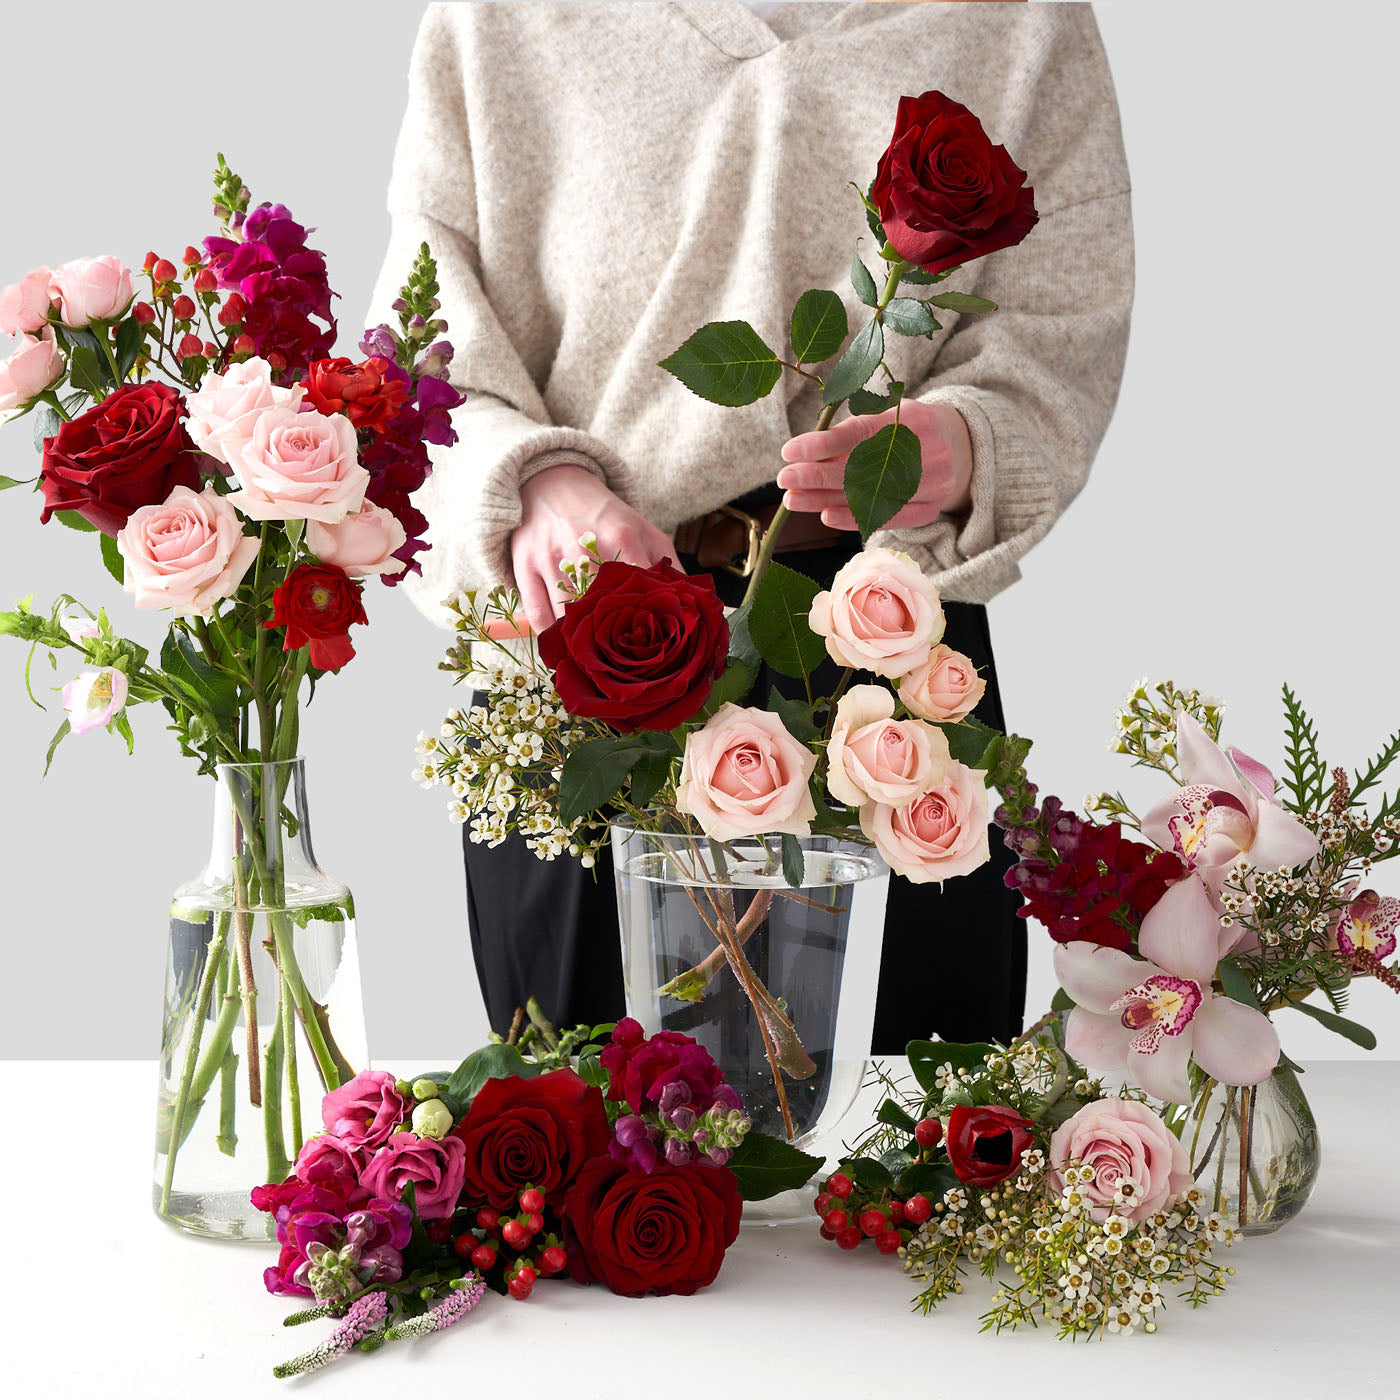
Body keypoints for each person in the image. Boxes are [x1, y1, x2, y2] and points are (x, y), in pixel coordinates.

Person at [372, 0, 1133, 1049]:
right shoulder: (495, 20)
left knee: (900, 1148)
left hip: (884, 657)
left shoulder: (1021, 20)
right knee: (593, 1155)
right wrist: (533, 483)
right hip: (591, 641)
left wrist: (964, 445)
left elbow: (1060, 331)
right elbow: (419, 342)